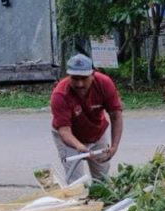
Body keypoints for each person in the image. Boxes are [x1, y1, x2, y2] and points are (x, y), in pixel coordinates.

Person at [50, 53, 124, 184]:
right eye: (75, 78)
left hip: (96, 133)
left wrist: (114, 146)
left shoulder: (104, 83)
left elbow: (116, 116)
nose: (80, 84)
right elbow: (64, 131)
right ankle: (77, 196)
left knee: (102, 180)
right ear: (68, 75)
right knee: (76, 183)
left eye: (84, 78)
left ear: (93, 74)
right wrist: (79, 146)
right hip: (69, 139)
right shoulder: (60, 94)